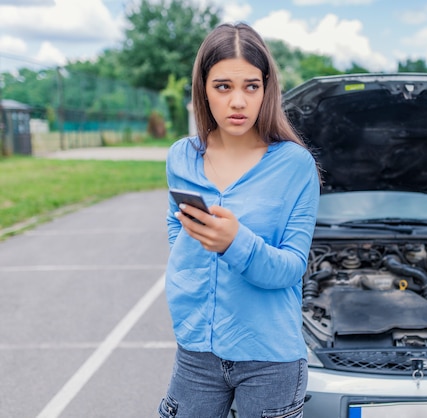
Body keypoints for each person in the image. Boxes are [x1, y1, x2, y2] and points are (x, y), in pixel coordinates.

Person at [158, 22, 321, 418]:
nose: (238, 101)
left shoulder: (295, 165)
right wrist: (187, 285)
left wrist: (235, 243)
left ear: (266, 88)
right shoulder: (181, 157)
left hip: (270, 359)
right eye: (223, 86)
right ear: (203, 89)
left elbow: (291, 268)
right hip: (196, 350)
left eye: (251, 86)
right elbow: (176, 227)